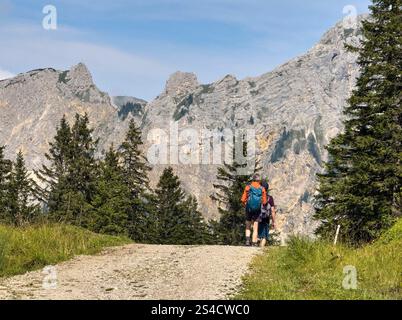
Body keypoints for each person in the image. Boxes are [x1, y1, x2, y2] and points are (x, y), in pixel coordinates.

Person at [241, 174, 267, 247]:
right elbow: (264, 202)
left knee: (248, 225)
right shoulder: (262, 189)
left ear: (253, 179)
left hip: (248, 208)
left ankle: (247, 241)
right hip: (257, 209)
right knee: (255, 227)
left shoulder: (248, 187)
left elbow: (242, 199)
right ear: (259, 180)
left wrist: (245, 204)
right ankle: (254, 242)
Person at [259, 178, 276, 247]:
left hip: (257, 217)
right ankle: (260, 249)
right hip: (266, 218)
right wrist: (274, 221)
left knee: (257, 233)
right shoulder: (270, 198)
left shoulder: (257, 197)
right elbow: (272, 211)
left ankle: (256, 247)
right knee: (264, 236)